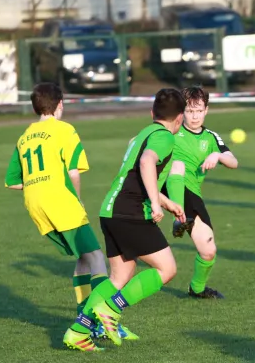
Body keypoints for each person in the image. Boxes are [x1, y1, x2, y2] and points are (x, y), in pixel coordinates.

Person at [3, 83, 136, 352]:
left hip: (34, 204)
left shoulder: (24, 136)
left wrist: (39, 184)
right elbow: (74, 172)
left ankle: (82, 314)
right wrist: (76, 201)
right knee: (98, 257)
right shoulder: (65, 130)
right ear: (60, 104)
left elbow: (13, 182)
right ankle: (96, 321)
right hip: (60, 202)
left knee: (84, 258)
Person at [67, 88, 187, 349]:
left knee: (120, 276)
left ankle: (78, 331)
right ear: (180, 118)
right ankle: (112, 309)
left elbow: (136, 175)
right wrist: (155, 204)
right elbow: (146, 163)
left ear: (152, 112)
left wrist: (166, 203)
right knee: (167, 269)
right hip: (130, 213)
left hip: (111, 210)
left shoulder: (141, 134)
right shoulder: (165, 137)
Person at [162, 86, 239, 299]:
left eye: (198, 111)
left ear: (206, 110)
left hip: (192, 195)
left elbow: (233, 162)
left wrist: (217, 155)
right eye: (189, 111)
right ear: (181, 111)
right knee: (177, 165)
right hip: (166, 186)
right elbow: (138, 143)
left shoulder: (212, 137)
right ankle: (179, 218)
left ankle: (197, 289)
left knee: (208, 251)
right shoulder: (170, 130)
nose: (194, 116)